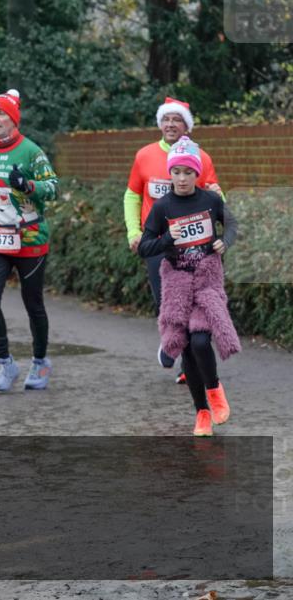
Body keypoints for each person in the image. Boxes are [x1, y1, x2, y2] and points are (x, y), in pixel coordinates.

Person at [138, 137, 239, 436]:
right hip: (178, 286)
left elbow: (232, 224)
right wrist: (167, 239)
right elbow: (144, 247)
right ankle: (202, 413)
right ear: (170, 173)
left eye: (188, 172)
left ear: (197, 174)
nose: (182, 178)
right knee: (187, 350)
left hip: (206, 281)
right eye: (176, 172)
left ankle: (214, 389)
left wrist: (225, 241)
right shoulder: (163, 207)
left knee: (200, 342)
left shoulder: (210, 200)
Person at [0, 89, 59, 391]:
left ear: (14, 119)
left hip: (30, 238)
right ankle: (5, 363)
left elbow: (53, 187)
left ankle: (40, 362)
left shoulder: (31, 152)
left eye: (1, 113)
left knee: (33, 304)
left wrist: (28, 186)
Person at [124, 97, 223, 384]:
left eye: (176, 119)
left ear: (186, 126)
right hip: (159, 241)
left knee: (193, 303)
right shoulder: (145, 155)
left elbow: (216, 199)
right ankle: (172, 339)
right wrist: (134, 231)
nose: (170, 124)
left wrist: (221, 201)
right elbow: (132, 194)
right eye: (166, 119)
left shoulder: (202, 157)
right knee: (166, 301)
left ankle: (187, 365)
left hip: (194, 246)